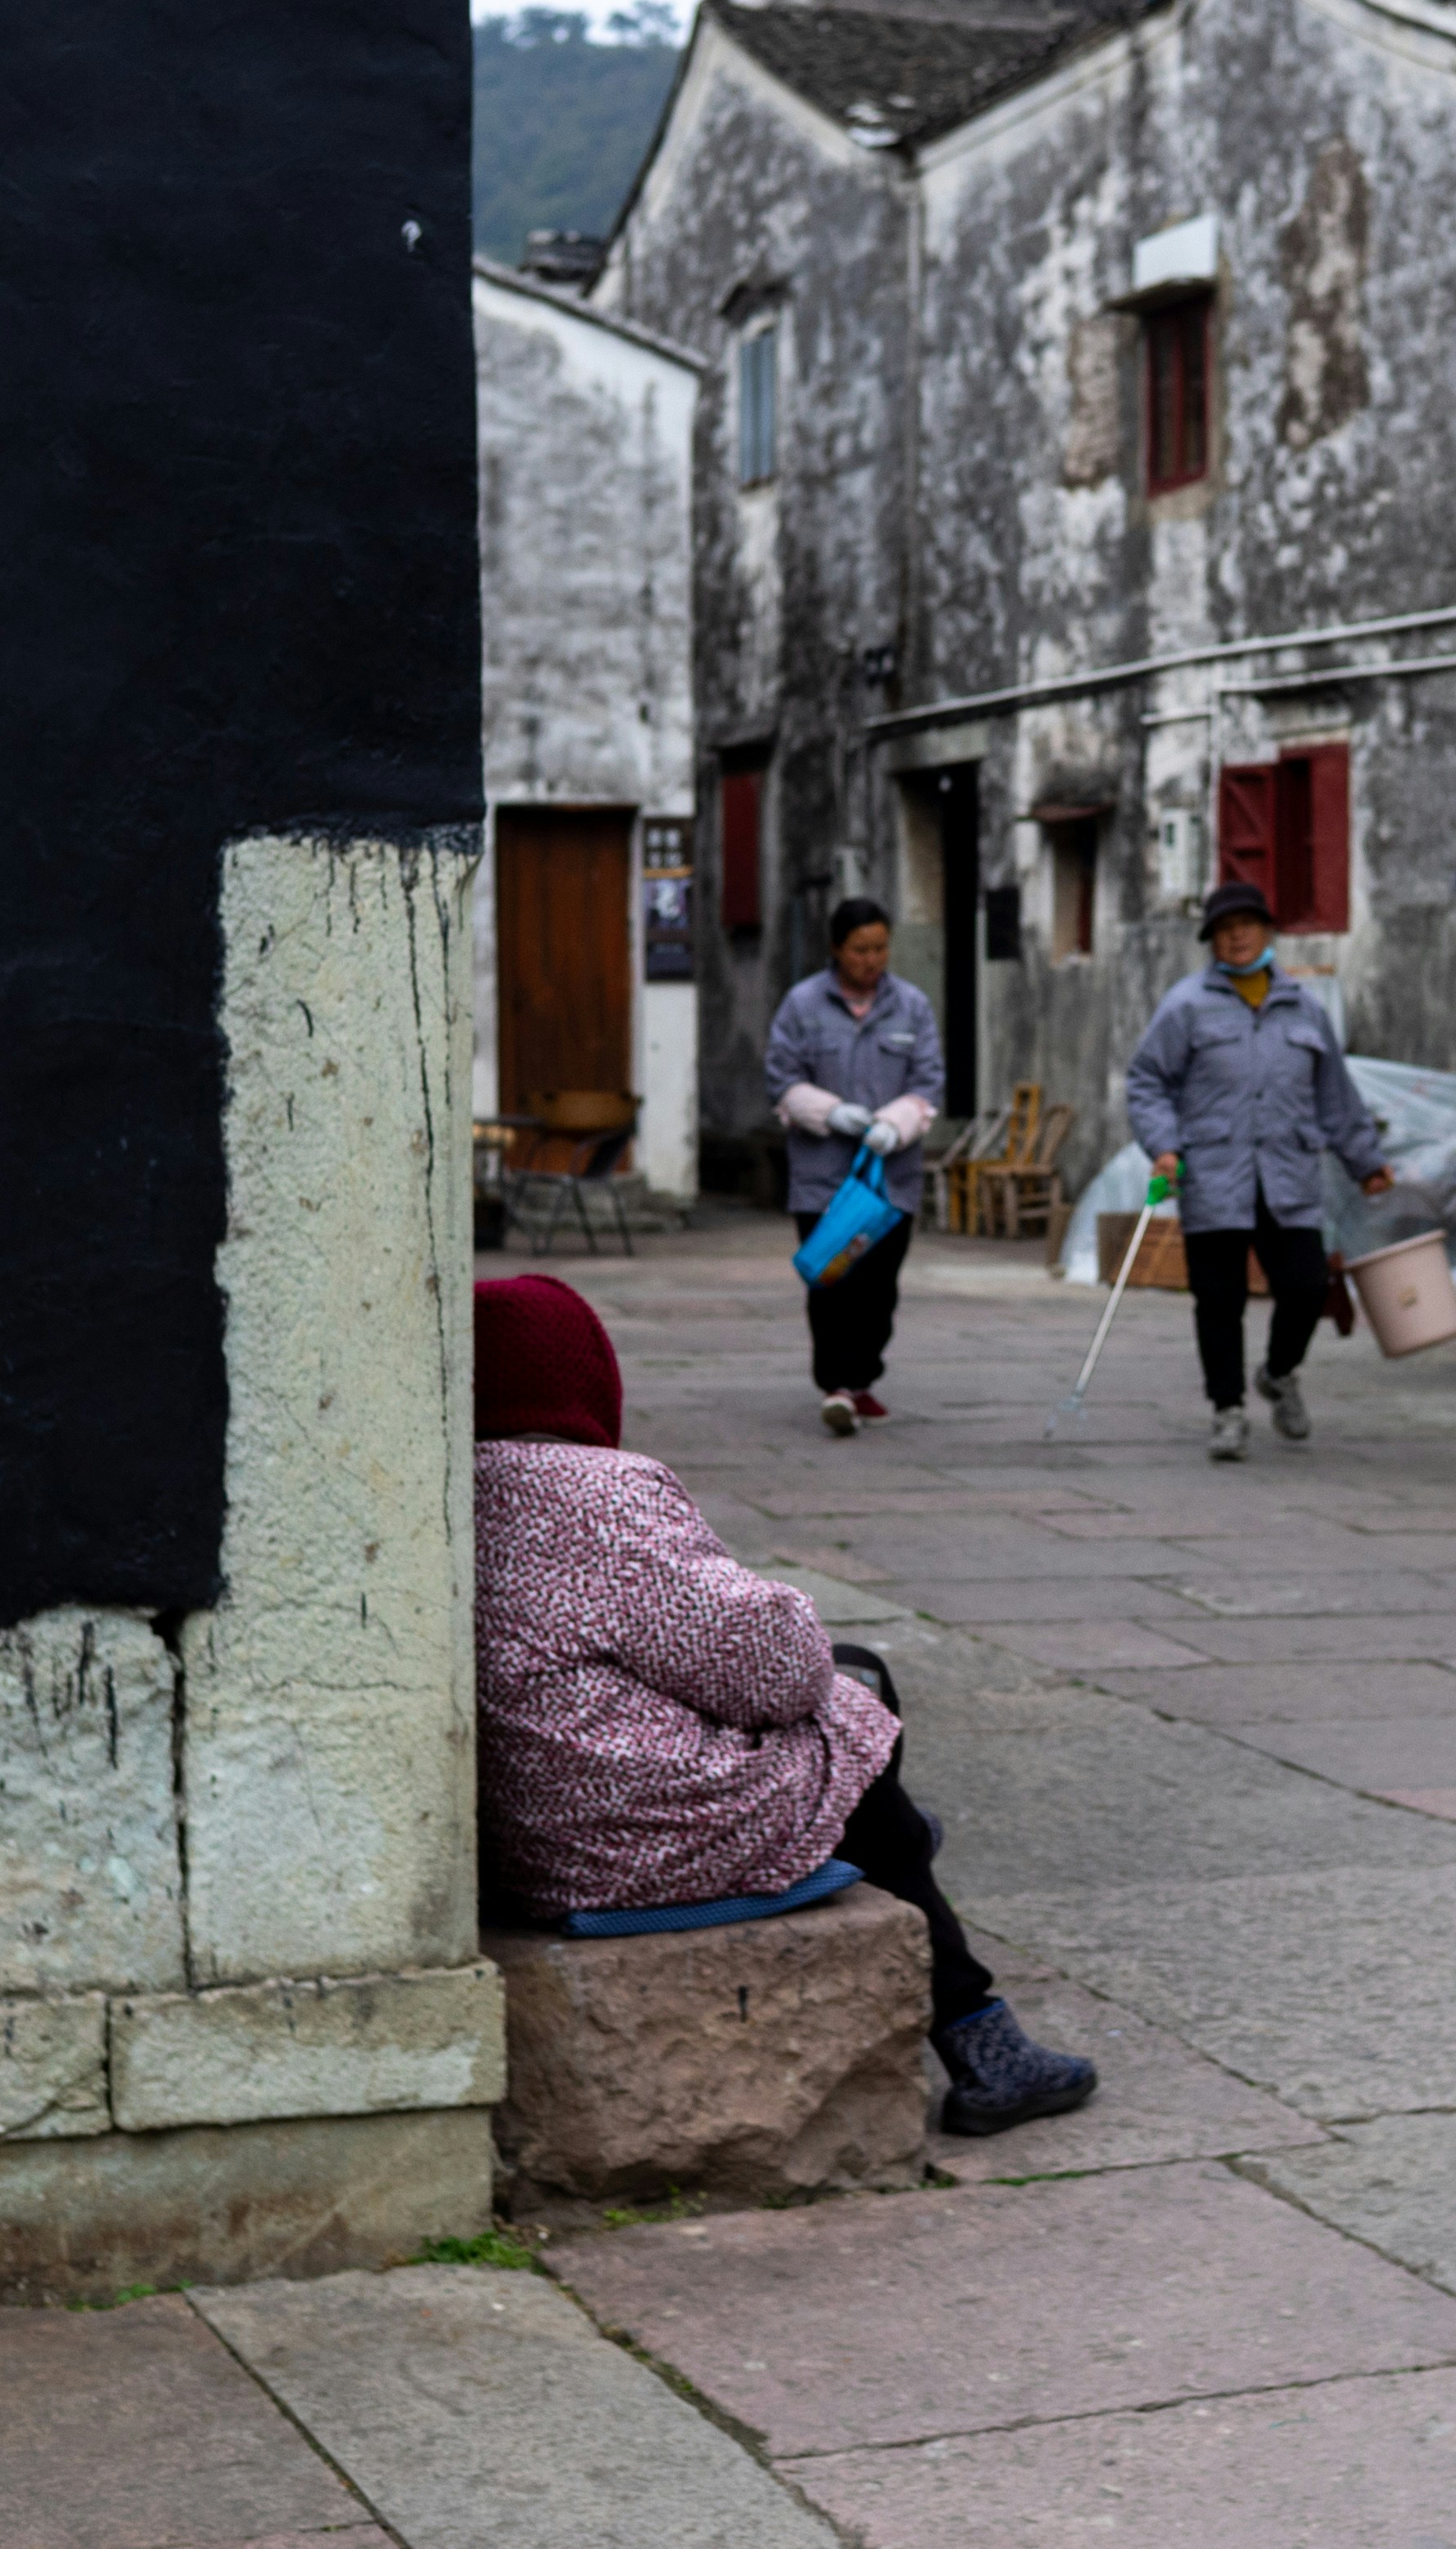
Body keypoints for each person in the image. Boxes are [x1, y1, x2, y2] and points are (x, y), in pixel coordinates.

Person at [467, 1274, 1096, 2133]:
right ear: (581, 1376)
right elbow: (776, 1670)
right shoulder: (599, 1494)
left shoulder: (451, 1487)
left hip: (529, 1844)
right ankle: (980, 2036)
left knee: (846, 1711)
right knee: (847, 1696)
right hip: (638, 1841)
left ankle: (889, 1849)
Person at [1123, 878, 1393, 1461]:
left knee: (1306, 1285)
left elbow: (1334, 1096)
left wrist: (1365, 1161)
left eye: (1247, 925)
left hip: (1289, 1176)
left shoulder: (1304, 1009)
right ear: (1212, 941)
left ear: (1269, 932)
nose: (1237, 936)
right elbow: (1147, 1081)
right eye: (1224, 929)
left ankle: (1277, 1372)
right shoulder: (1186, 1005)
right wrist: (1163, 1146)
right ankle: (1228, 1410)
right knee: (1218, 1299)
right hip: (1213, 1173)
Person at [763, 896, 945, 1437]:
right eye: (860, 949)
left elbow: (928, 1082)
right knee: (832, 1282)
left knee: (879, 1287)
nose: (872, 959)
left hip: (891, 1181)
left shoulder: (911, 1006)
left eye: (880, 948)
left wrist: (897, 1122)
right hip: (824, 1179)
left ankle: (861, 1378)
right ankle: (837, 1385)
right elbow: (782, 1080)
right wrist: (831, 1112)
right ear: (836, 950)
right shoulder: (802, 1006)